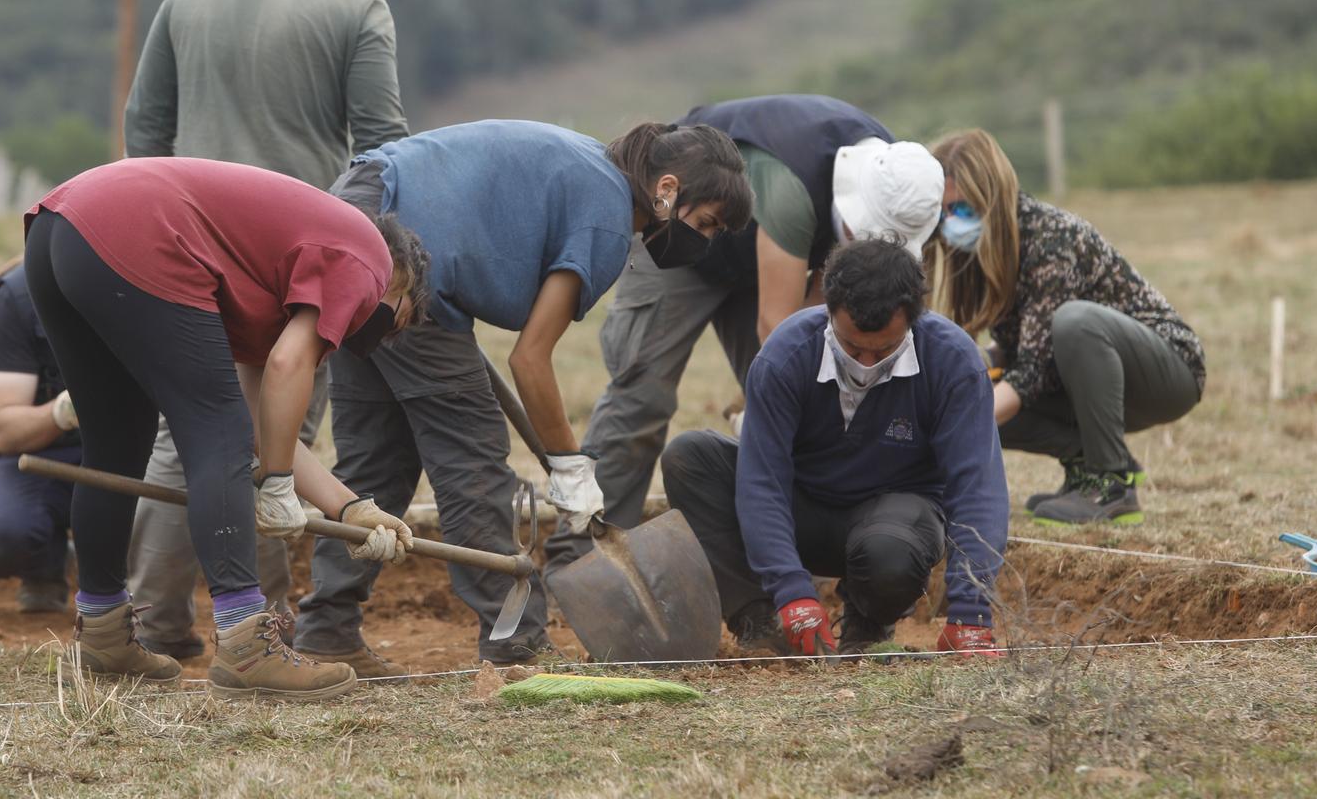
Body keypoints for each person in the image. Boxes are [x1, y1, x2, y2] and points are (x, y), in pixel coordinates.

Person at [294, 119, 753, 668]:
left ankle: (328, 631)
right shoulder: (607, 217)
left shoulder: (592, 169)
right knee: (474, 466)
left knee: (375, 462)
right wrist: (570, 466)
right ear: (667, 190)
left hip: (353, 221)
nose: (702, 241)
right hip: (394, 258)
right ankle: (519, 642)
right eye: (704, 224)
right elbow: (530, 359)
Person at [120, 0, 413, 663]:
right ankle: (269, 628)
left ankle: (153, 620)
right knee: (275, 439)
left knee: (188, 433)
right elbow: (384, 151)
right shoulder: (358, 3)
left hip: (175, 240)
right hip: (292, 259)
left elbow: (145, 124)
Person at [25, 157, 427, 701]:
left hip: (62, 227)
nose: (380, 333)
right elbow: (279, 378)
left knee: (116, 439)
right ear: (400, 289)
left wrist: (349, 507)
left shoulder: (277, 265)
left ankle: (101, 633)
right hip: (137, 227)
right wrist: (276, 483)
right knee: (216, 432)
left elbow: (261, 401)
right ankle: (246, 645)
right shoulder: (369, 260)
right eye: (399, 321)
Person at [565, 94, 945, 577]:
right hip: (681, 228)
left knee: (811, 402)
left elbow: (832, 316)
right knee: (642, 398)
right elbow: (782, 335)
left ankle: (785, 556)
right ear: (852, 208)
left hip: (767, 256)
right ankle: (584, 556)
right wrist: (765, 406)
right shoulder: (793, 187)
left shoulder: (903, 182)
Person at [663, 239, 1009, 657]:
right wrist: (791, 592)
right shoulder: (785, 356)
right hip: (802, 511)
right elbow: (762, 483)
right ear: (829, 310)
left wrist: (970, 612)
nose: (865, 363)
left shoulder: (953, 361)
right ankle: (762, 622)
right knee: (689, 458)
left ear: (914, 320)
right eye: (850, 347)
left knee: (892, 549)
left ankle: (868, 624)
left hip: (893, 524)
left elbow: (977, 490)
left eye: (883, 350)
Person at [927, 129, 1205, 526]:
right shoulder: (981, 251)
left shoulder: (1051, 237)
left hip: (1166, 371)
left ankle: (1111, 482)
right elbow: (1020, 352)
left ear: (992, 198)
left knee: (1074, 323)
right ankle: (1083, 465)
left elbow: (1034, 369)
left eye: (964, 210)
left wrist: (959, 423)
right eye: (944, 213)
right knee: (964, 380)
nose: (952, 224)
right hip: (1085, 377)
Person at [0, 264, 86, 611]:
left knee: (162, 515)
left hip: (135, 453)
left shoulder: (151, 283)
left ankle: (148, 597)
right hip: (40, 456)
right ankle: (44, 565)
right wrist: (67, 409)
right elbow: (6, 431)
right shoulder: (20, 296)